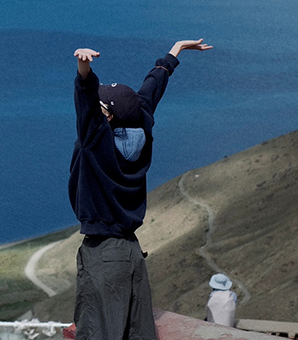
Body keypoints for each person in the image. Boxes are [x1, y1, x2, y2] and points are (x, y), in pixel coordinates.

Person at [69, 39, 212, 340]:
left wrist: (84, 72)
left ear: (108, 116)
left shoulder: (98, 144)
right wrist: (174, 52)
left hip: (104, 255)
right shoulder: (141, 125)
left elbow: (85, 105)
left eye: (102, 106)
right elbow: (150, 90)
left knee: (97, 333)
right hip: (131, 253)